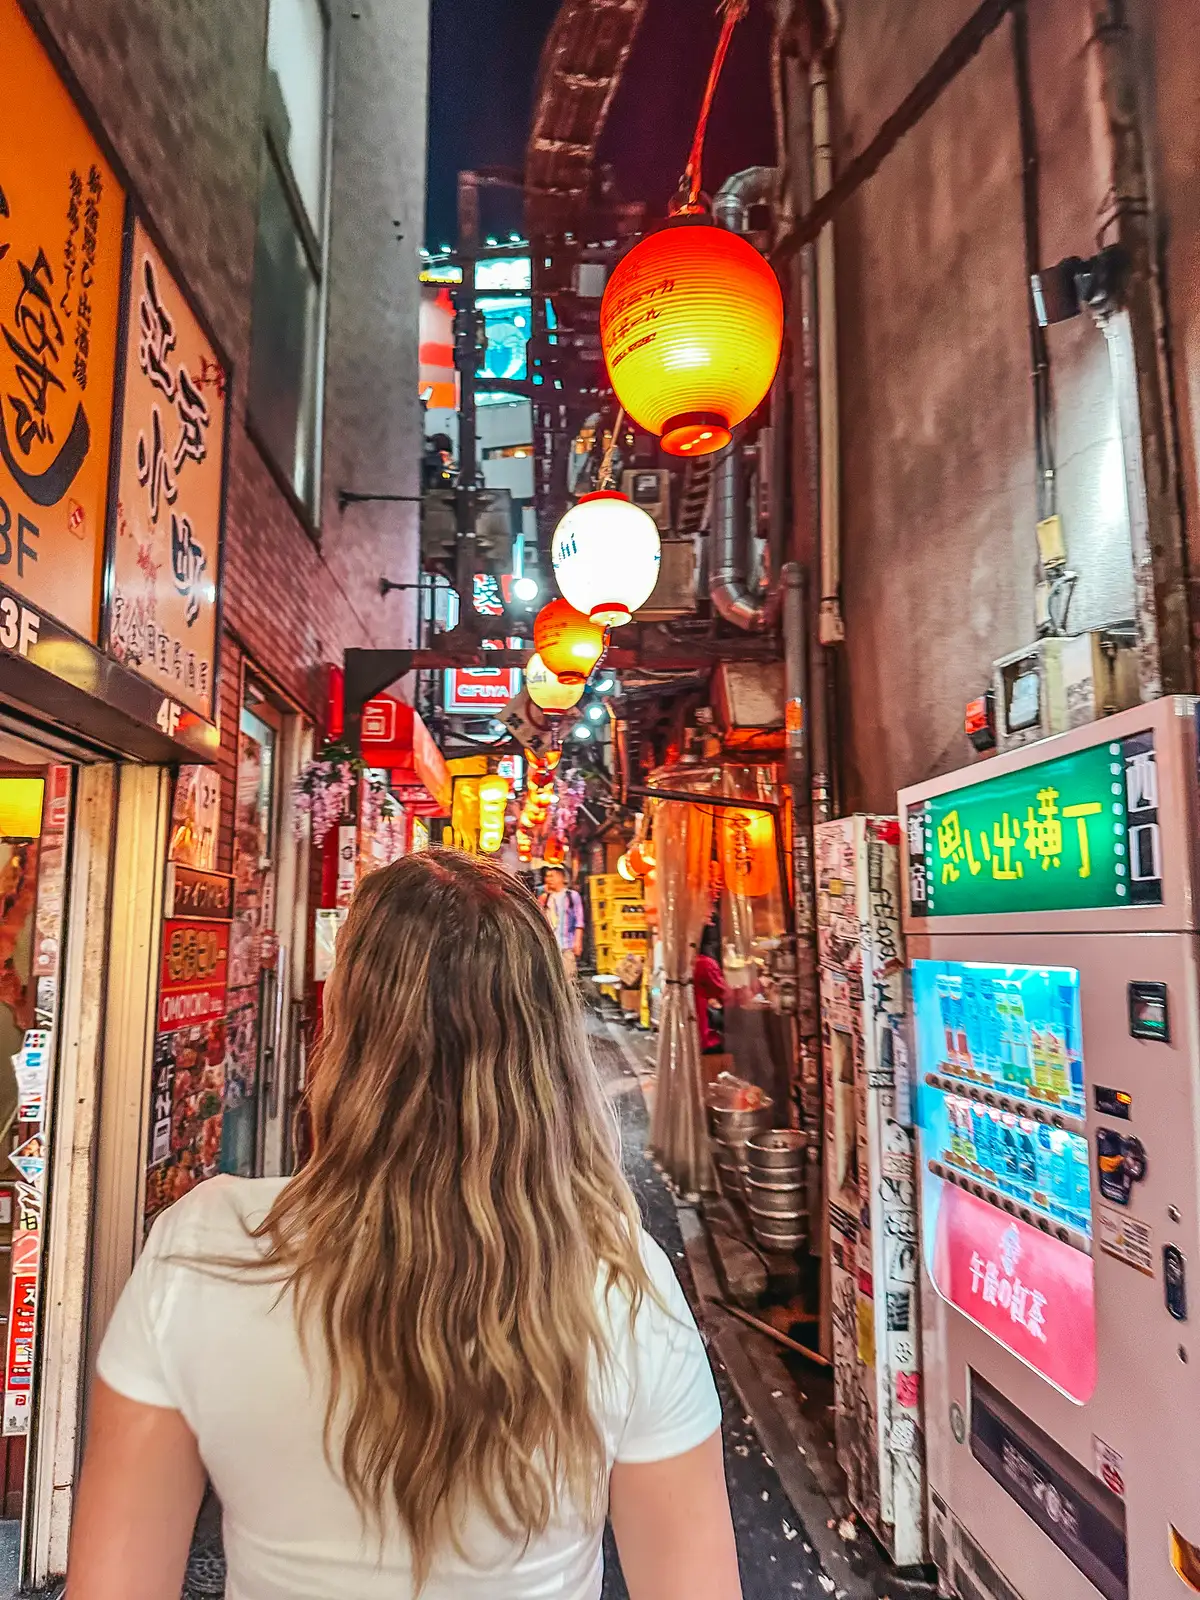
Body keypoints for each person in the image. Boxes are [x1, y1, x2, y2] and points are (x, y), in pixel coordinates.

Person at [68, 852, 740, 1600]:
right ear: (549, 1044)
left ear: (348, 1023)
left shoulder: (203, 1251)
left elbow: (114, 1582)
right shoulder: (623, 1283)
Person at [538, 862, 585, 979]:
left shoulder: (572, 896)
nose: (549, 879)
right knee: (551, 978)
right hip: (549, 946)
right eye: (547, 876)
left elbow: (579, 921)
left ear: (561, 877)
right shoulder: (546, 897)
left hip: (567, 945)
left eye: (552, 876)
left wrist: (577, 942)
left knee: (568, 978)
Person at [693, 925, 727, 1055]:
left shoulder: (683, 963)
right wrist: (758, 985)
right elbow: (726, 995)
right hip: (704, 1037)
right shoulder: (705, 964)